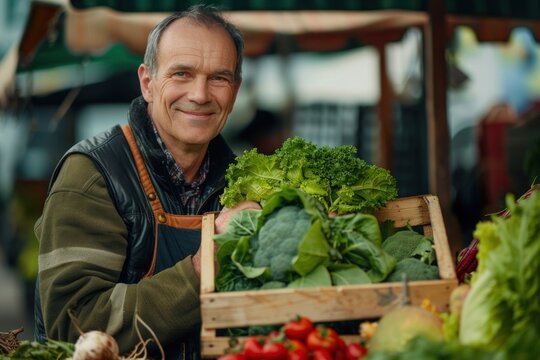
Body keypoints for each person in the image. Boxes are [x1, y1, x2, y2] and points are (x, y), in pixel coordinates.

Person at [33, 5, 260, 359]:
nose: (200, 94)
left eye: (218, 77)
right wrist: (205, 264)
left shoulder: (245, 180)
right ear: (148, 83)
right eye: (182, 73)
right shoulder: (93, 175)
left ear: (235, 90)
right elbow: (72, 330)